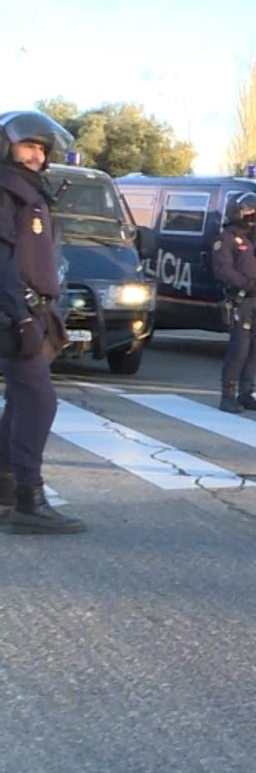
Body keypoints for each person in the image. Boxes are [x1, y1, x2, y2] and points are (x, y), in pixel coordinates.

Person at [0, 110, 84, 534]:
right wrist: (18, 317)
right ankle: (29, 500)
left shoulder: (28, 190)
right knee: (38, 400)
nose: (35, 155)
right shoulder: (5, 190)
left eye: (40, 148)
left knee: (22, 398)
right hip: (15, 311)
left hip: (33, 308)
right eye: (27, 145)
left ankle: (6, 490)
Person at [214, 191, 256, 414]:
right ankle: (228, 395)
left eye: (255, 211)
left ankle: (247, 392)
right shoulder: (227, 238)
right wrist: (247, 284)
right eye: (248, 210)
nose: (252, 215)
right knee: (240, 348)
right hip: (241, 299)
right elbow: (223, 269)